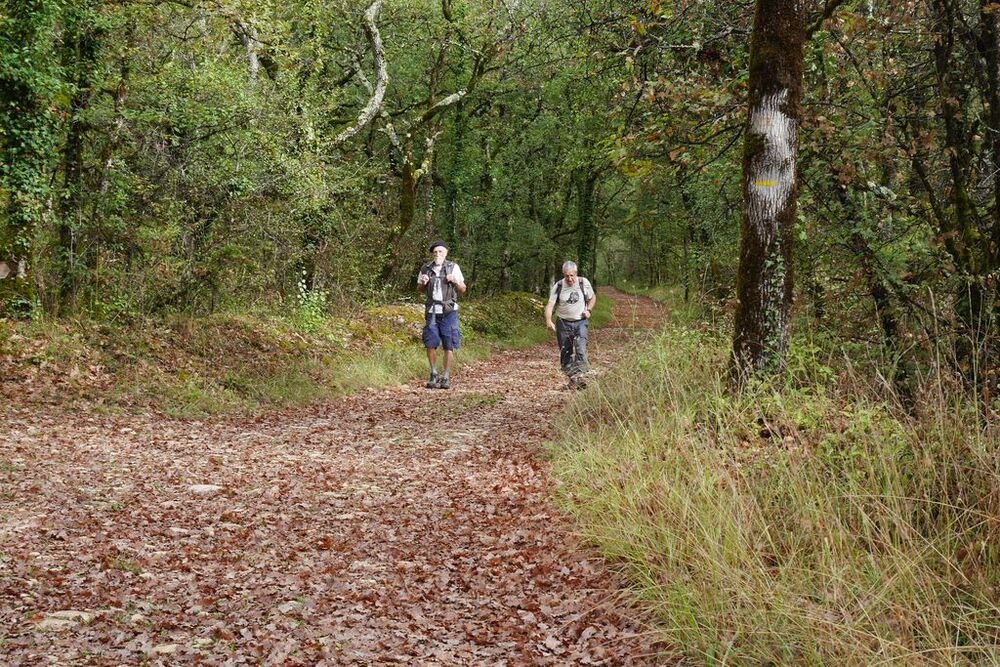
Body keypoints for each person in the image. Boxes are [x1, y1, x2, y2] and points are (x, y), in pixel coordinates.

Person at [417, 240, 466, 389]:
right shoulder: (425, 268)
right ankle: (433, 373)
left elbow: (463, 289)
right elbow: (419, 289)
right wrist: (423, 283)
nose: (437, 254)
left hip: (449, 311)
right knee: (430, 343)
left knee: (448, 344)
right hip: (432, 311)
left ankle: (445, 376)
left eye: (440, 251)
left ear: (446, 253)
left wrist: (455, 281)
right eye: (435, 252)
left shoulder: (453, 267)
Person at [544, 261, 596, 389]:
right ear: (563, 274)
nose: (570, 279)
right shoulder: (558, 286)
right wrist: (548, 320)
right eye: (567, 276)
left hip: (580, 321)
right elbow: (550, 305)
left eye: (572, 275)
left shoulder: (583, 282)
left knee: (580, 347)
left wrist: (589, 310)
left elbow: (592, 298)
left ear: (576, 273)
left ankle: (580, 377)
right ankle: (574, 379)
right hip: (563, 323)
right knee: (565, 352)